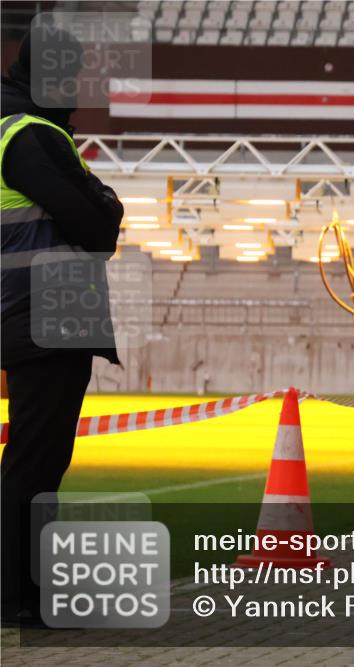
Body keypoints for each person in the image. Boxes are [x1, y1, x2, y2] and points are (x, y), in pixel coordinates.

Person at [1, 27, 123, 627]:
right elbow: (97, 224)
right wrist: (106, 201)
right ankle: (16, 597)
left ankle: (28, 593)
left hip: (37, 311)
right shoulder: (32, 135)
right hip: (45, 312)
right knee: (34, 460)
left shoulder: (22, 128)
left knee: (40, 458)